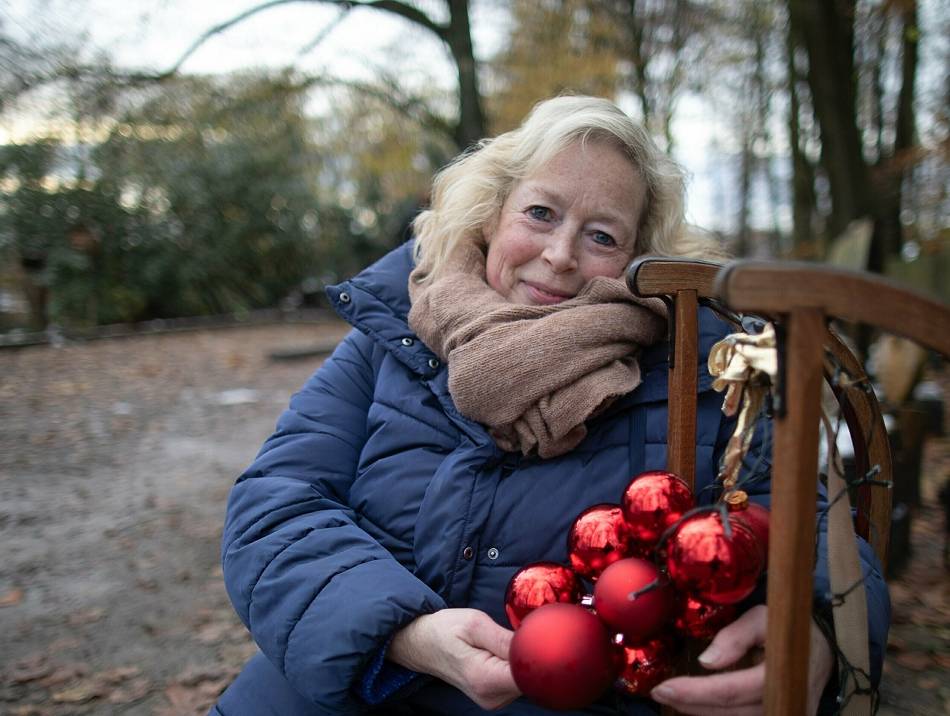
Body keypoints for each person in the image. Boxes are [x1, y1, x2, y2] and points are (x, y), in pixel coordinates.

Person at [211, 95, 889, 716]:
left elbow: (819, 531)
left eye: (602, 236)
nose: (560, 255)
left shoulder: (700, 368)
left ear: (642, 255)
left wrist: (820, 633)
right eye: (540, 213)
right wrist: (406, 634)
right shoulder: (393, 334)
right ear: (493, 212)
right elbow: (277, 502)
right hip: (356, 686)